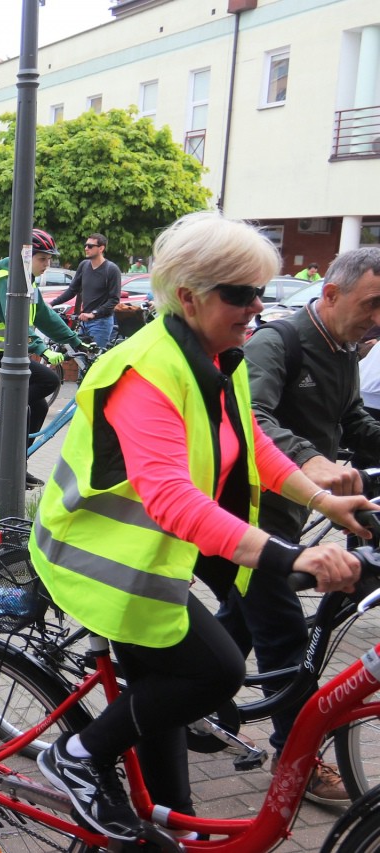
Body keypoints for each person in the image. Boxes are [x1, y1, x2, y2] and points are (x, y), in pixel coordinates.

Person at [28, 211, 371, 841]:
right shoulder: (146, 370)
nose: (255, 308)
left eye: (261, 293)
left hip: (150, 554)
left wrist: (323, 500)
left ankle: (164, 829)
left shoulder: (218, 357)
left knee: (165, 742)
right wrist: (287, 557)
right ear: (187, 295)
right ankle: (74, 758)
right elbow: (173, 501)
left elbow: (253, 447)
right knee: (214, 669)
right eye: (239, 294)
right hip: (97, 556)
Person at [217, 246, 380, 803]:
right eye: (373, 304)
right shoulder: (277, 342)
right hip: (246, 519)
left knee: (240, 624)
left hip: (291, 510)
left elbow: (350, 421)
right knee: (285, 634)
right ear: (331, 294)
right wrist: (311, 461)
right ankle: (296, 757)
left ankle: (200, 708)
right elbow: (250, 418)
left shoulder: (346, 348)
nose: (379, 319)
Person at [0, 229, 87, 460]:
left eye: (50, 259)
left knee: (38, 407)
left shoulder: (27, 283)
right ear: (26, 256)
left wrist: (76, 341)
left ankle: (18, 464)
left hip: (6, 351)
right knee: (49, 380)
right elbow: (15, 322)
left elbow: (45, 317)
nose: (47, 264)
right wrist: (42, 349)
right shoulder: (6, 280)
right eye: (42, 259)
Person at [49, 233, 122, 349]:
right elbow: (72, 290)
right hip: (84, 322)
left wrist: (93, 314)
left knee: (94, 360)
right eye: (86, 245)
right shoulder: (84, 265)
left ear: (101, 248)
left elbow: (114, 299)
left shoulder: (111, 269)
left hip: (101, 323)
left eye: (90, 246)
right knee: (80, 358)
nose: (86, 248)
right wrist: (52, 303)